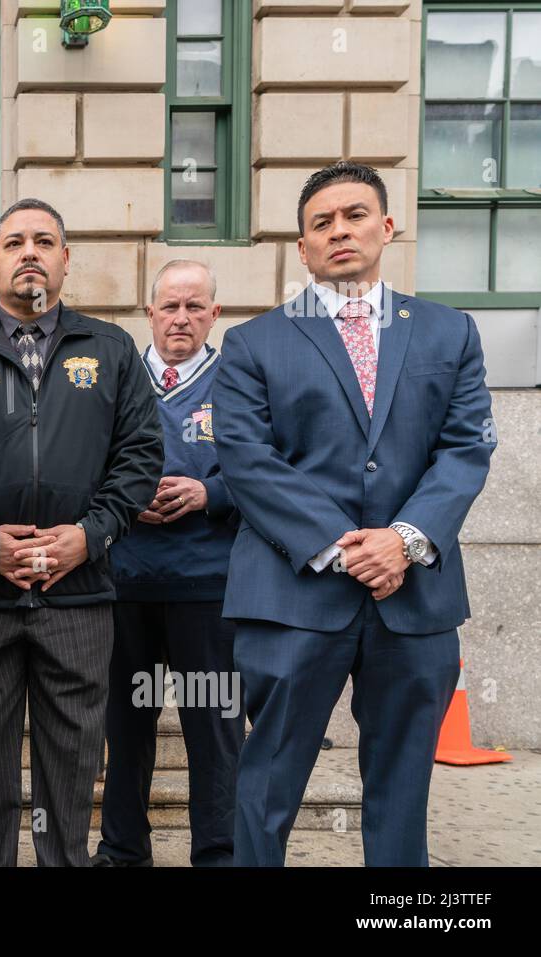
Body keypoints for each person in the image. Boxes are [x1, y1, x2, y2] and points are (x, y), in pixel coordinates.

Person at [214, 162, 495, 866]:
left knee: (402, 789)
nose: (340, 230)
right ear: (303, 248)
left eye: (355, 214)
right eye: (321, 223)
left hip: (416, 597)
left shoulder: (449, 333)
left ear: (387, 227)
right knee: (267, 781)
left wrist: (404, 539)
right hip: (293, 594)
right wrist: (345, 549)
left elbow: (465, 450)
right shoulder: (253, 344)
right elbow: (249, 461)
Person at [0, 197, 164, 866]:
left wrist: (87, 538)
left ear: (65, 259)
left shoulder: (112, 350)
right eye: (14, 241)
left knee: (70, 768)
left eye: (44, 240)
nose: (29, 251)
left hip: (79, 597)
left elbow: (140, 457)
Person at [92, 260, 243, 868]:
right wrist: (126, 499)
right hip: (126, 581)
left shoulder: (238, 380)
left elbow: (270, 463)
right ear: (148, 313)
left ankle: (219, 852)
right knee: (125, 730)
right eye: (170, 307)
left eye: (195, 307)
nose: (181, 318)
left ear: (215, 315)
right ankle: (123, 850)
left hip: (208, 586)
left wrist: (212, 492)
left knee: (215, 732)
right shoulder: (118, 379)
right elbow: (84, 459)